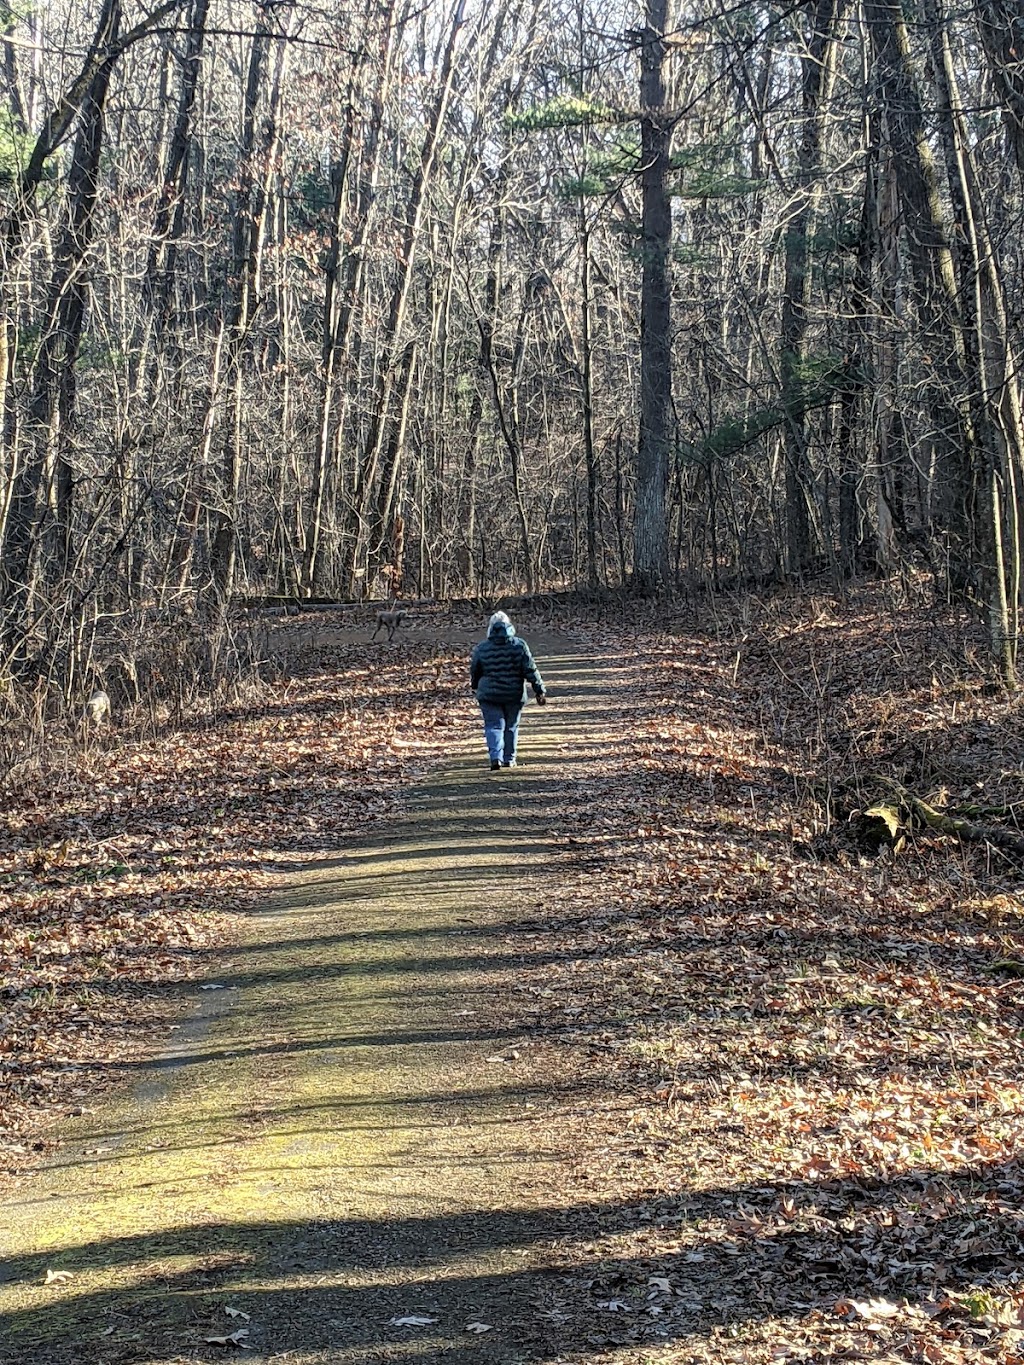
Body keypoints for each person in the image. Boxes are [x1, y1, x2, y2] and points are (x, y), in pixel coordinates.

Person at [470, 611, 547, 771]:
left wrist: (475, 686)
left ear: (490, 628)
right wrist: (539, 689)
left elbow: (475, 671)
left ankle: (495, 758)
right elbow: (530, 669)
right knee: (511, 726)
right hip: (514, 694)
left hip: (489, 694)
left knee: (493, 725)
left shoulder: (482, 648)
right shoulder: (519, 645)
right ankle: (509, 759)